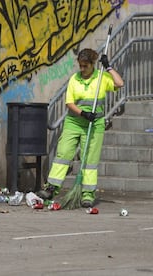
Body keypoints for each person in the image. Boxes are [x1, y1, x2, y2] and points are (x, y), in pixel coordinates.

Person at [38, 48, 124, 207]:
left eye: (86, 66)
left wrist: (109, 67)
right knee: (63, 153)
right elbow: (69, 103)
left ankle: (87, 194)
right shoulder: (74, 79)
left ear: (93, 64)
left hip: (95, 124)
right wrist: (83, 114)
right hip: (75, 122)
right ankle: (52, 188)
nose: (82, 69)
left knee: (90, 160)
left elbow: (119, 83)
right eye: (81, 66)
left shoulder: (101, 78)